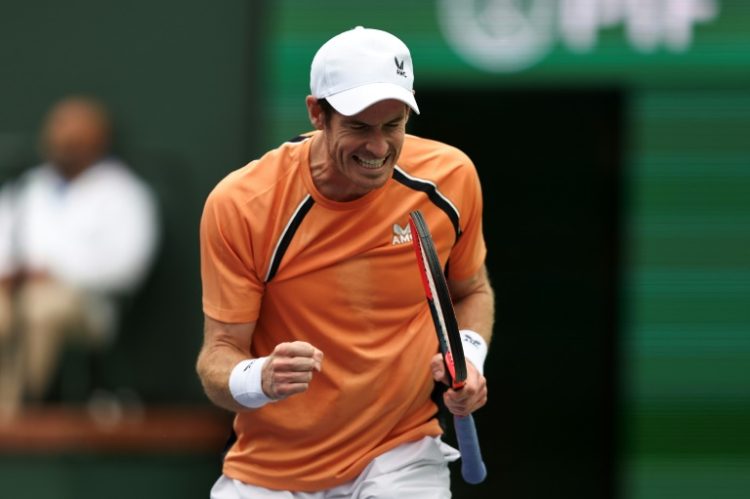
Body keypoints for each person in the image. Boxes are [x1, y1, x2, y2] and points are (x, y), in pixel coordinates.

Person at [197, 26, 494, 498]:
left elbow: (472, 289)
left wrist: (469, 359)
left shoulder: (451, 179)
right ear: (317, 113)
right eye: (359, 127)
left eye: (392, 125)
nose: (378, 148)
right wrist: (261, 376)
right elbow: (217, 359)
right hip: (272, 470)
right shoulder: (243, 204)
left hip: (401, 453)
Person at [0, 96, 159, 418]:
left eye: (75, 136)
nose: (65, 142)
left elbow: (128, 265)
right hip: (13, 290)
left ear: (99, 140)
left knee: (38, 309)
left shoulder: (124, 193)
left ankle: (16, 415)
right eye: (59, 133)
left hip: (86, 305)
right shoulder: (26, 188)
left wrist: (54, 272)